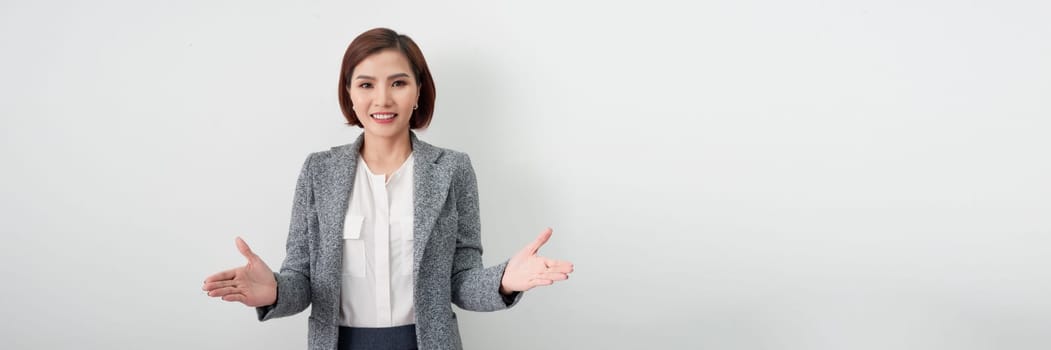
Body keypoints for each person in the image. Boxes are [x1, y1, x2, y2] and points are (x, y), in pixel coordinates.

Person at [201, 27, 574, 350]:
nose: (382, 99)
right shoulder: (318, 172)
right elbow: (303, 282)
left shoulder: (453, 169)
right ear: (349, 94)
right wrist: (275, 291)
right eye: (366, 84)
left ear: (417, 92)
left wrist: (505, 281)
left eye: (398, 83)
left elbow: (461, 282)